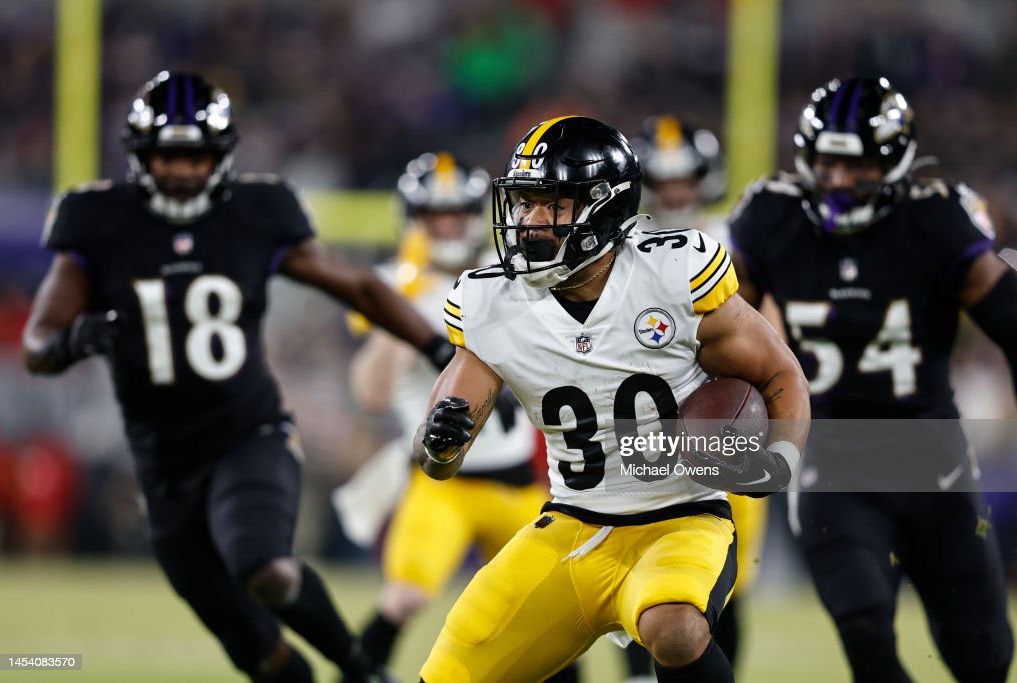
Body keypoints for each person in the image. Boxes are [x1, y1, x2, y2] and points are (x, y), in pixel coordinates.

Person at [21, 70, 456, 683]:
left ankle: (362, 670)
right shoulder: (97, 219)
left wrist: (438, 347)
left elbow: (357, 285)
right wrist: (71, 341)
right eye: (167, 157)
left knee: (266, 568)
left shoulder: (257, 210)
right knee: (251, 646)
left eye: (195, 156)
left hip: (247, 436)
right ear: (139, 158)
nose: (181, 172)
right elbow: (37, 343)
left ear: (220, 156)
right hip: (162, 465)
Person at [414, 115, 811, 683]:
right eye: (524, 204)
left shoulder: (671, 274)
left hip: (682, 517)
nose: (529, 221)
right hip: (571, 525)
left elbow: (780, 374)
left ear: (602, 207)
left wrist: (781, 463)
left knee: (673, 625)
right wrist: (441, 442)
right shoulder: (489, 301)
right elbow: (438, 461)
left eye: (550, 204)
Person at [729, 76, 1015, 682]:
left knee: (984, 657)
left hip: (934, 465)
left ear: (894, 161)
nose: (837, 179)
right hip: (833, 465)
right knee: (864, 629)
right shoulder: (771, 217)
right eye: (826, 161)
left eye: (855, 163)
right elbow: (725, 333)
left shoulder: (936, 221)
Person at [338, 152, 559, 677]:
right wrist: (405, 301)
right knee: (406, 597)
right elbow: (370, 393)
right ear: (411, 219)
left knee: (550, 610)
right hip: (441, 482)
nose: (447, 226)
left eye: (456, 214)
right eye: (434, 216)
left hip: (518, 481)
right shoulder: (394, 283)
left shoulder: (512, 276)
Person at [635, 114, 765, 674]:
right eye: (662, 183)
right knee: (638, 560)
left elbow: (768, 335)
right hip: (643, 420)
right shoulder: (620, 245)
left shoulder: (731, 239)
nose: (673, 194)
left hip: (725, 422)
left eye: (683, 179)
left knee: (724, 572)